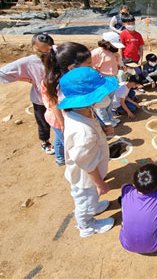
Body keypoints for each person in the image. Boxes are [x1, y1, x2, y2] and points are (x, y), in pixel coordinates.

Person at [58, 66, 119, 238]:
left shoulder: (82, 111)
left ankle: (94, 206)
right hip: (86, 178)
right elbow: (86, 163)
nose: (104, 96)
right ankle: (87, 225)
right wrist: (100, 183)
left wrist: (103, 128)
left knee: (90, 198)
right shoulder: (83, 132)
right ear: (88, 98)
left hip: (91, 172)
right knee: (84, 202)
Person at [0, 33, 56, 155]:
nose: (44, 53)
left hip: (58, 97)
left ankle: (63, 140)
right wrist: (28, 79)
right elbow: (2, 73)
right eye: (40, 50)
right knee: (43, 122)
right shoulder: (29, 62)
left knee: (62, 120)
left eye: (47, 49)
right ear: (33, 47)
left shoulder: (57, 56)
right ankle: (45, 141)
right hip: (40, 99)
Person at [120, 164, 157, 254]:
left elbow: (123, 186)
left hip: (127, 244)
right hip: (156, 245)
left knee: (125, 202)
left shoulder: (127, 191)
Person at [91, 32, 124, 128]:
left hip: (113, 79)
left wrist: (121, 66)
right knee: (103, 102)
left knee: (110, 101)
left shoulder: (113, 51)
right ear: (106, 43)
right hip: (103, 81)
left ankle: (111, 118)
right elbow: (89, 65)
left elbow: (117, 61)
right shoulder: (97, 52)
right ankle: (105, 121)